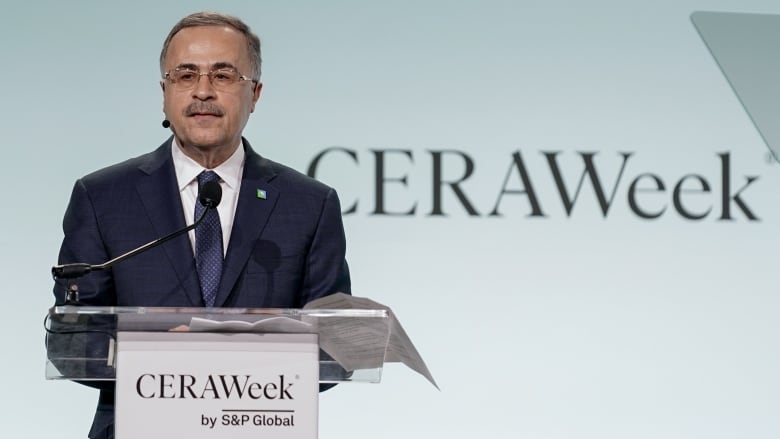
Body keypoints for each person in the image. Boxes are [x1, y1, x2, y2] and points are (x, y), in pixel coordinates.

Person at [53, 11, 351, 439]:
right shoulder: (102, 197)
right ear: (164, 92)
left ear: (256, 93)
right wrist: (159, 359)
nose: (203, 92)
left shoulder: (309, 204)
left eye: (224, 76)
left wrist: (251, 359)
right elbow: (73, 339)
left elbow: (336, 344)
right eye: (186, 75)